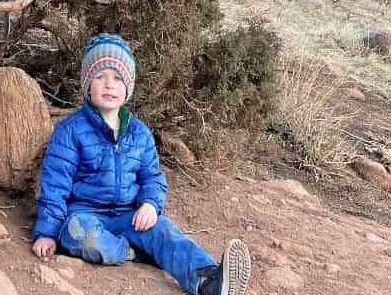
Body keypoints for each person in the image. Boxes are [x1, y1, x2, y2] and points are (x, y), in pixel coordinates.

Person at [32, 33, 251, 295]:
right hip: (85, 215)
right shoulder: (70, 131)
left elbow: (152, 178)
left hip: (129, 215)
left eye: (117, 78)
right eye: (100, 77)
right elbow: (55, 184)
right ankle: (133, 251)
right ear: (87, 84)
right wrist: (46, 232)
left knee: (165, 230)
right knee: (81, 236)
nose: (109, 85)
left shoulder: (140, 133)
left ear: (128, 87)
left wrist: (149, 204)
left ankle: (208, 280)